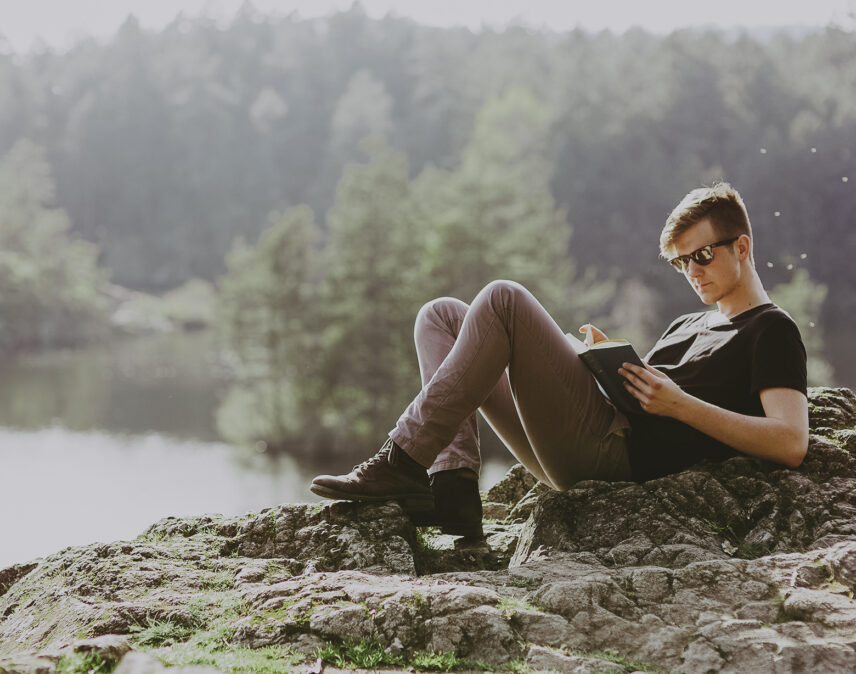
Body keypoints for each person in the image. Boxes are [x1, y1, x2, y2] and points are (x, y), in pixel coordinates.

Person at [310, 182, 809, 542]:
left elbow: (790, 443)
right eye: (681, 263)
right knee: (441, 317)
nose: (691, 274)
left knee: (503, 299)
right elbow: (644, 397)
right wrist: (598, 361)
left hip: (616, 459)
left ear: (741, 247)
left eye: (701, 257)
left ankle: (401, 460)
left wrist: (681, 406)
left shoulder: (771, 330)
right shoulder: (688, 325)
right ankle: (452, 488)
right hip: (587, 434)